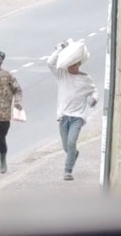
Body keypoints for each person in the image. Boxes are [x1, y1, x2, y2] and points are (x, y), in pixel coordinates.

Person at [47, 41, 99, 181]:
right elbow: (50, 63)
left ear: (78, 64)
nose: (71, 67)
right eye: (69, 65)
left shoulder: (85, 79)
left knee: (71, 142)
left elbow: (93, 91)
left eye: (74, 64)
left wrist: (94, 99)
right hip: (64, 116)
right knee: (66, 146)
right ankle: (73, 154)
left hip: (77, 117)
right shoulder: (62, 75)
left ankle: (67, 171)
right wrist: (59, 49)